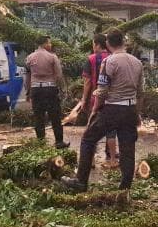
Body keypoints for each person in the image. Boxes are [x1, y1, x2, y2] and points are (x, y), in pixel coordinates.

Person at [62, 28, 144, 192]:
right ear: (123, 42)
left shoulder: (109, 62)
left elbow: (102, 89)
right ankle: (125, 188)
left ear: (107, 44)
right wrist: (137, 113)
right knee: (128, 148)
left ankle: (81, 181)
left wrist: (95, 109)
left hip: (113, 108)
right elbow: (141, 92)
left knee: (88, 139)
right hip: (130, 108)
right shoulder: (137, 62)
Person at [78, 33, 118, 168]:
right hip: (112, 99)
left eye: (93, 44)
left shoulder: (91, 59)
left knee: (92, 129)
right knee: (111, 130)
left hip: (96, 98)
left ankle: (92, 161)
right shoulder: (113, 58)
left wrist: (84, 100)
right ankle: (113, 159)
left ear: (96, 44)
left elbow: (88, 82)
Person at [25, 35, 69, 149]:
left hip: (36, 90)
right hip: (49, 89)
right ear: (44, 44)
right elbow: (59, 75)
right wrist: (63, 89)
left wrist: (28, 92)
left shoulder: (29, 58)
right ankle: (59, 142)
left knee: (38, 117)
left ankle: (41, 143)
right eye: (49, 43)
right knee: (55, 116)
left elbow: (27, 77)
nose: (51, 45)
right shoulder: (52, 57)